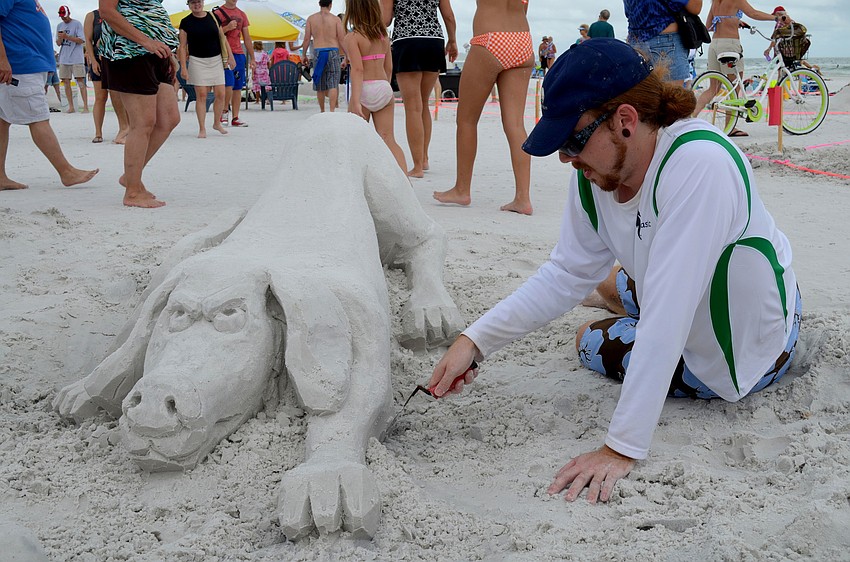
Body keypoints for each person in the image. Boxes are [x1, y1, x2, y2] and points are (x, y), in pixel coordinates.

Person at [430, 39, 800, 503]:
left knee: (589, 337)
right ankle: (613, 287)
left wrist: (619, 448)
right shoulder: (598, 176)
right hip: (698, 283)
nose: (566, 158)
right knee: (601, 278)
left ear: (625, 120)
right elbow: (564, 273)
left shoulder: (698, 166)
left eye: (573, 140)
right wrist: (474, 341)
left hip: (746, 348)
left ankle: (613, 292)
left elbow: (665, 322)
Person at [432, 0, 534, 215]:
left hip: (490, 39)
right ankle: (523, 198)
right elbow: (523, 8)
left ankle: (462, 189)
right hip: (522, 40)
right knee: (515, 124)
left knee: (467, 120)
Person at [0, 0, 99, 191]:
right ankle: (66, 172)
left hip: (25, 64)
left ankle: (0, 176)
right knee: (38, 118)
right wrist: (2, 59)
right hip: (20, 64)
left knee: (2, 120)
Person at [99, 0, 181, 208]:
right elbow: (107, 11)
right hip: (129, 51)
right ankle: (133, 192)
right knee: (142, 123)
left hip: (157, 52)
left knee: (169, 119)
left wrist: (168, 51)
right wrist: (146, 41)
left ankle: (130, 176)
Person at [381, 0, 457, 177]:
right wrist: (452, 40)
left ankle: (416, 166)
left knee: (413, 107)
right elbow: (449, 16)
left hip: (407, 41)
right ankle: (423, 158)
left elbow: (385, 20)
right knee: (423, 104)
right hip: (433, 40)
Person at [344, 0, 406, 173]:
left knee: (355, 141)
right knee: (388, 139)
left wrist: (355, 100)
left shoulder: (352, 37)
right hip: (383, 87)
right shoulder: (383, 36)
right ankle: (405, 182)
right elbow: (389, 68)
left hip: (363, 90)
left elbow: (357, 69)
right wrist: (384, 86)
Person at [695, 0, 774, 137]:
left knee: (713, 88)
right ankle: (730, 127)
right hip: (730, 44)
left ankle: (691, 117)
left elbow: (708, 26)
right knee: (735, 86)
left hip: (714, 45)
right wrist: (775, 18)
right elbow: (753, 13)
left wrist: (733, 22)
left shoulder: (715, 2)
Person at [179, 0, 234, 138]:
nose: (196, 5)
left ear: (203, 2)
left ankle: (217, 123)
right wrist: (183, 68)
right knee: (202, 95)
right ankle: (202, 128)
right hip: (197, 60)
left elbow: (223, 38)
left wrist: (230, 57)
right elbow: (182, 46)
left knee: (221, 93)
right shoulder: (185, 22)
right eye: (193, 2)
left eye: (198, 2)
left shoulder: (213, 17)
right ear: (189, 5)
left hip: (215, 59)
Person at [623, 0, 703, 83]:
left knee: (643, 93)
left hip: (635, 43)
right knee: (672, 94)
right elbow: (695, 7)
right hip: (665, 42)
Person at [84, 8, 129, 144]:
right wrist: (92, 60)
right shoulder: (92, 15)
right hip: (99, 59)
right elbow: (88, 40)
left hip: (117, 58)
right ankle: (98, 132)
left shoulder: (121, 12)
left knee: (119, 94)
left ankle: (124, 128)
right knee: (100, 97)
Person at [212, 0, 255, 127]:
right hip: (223, 53)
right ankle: (224, 112)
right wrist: (227, 28)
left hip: (239, 53)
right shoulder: (217, 13)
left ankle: (235, 117)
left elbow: (247, 37)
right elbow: (212, 34)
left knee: (237, 86)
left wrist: (252, 57)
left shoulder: (242, 14)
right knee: (228, 84)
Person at [302, 0, 346, 113]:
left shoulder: (311, 19)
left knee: (319, 83)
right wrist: (347, 55)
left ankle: (322, 111)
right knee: (333, 82)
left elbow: (307, 39)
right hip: (333, 51)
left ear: (319, 4)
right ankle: (332, 111)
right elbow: (341, 39)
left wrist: (304, 55)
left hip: (318, 51)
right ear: (330, 5)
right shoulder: (335, 19)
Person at [55, 5, 88, 113]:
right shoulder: (59, 25)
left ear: (69, 13)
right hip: (64, 57)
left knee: (80, 81)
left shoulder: (77, 24)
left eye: (64, 15)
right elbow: (58, 43)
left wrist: (67, 37)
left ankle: (85, 106)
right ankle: (71, 106)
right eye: (61, 16)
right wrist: (60, 38)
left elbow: (81, 40)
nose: (63, 18)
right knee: (66, 81)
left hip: (76, 57)